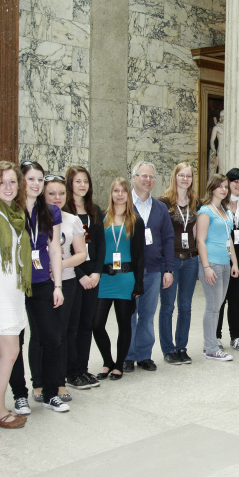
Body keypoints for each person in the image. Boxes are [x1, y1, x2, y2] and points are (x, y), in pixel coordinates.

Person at [0, 162, 29, 429]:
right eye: (2, 182)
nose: (8, 188)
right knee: (10, 351)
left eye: (13, 182)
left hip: (14, 290)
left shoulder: (15, 213)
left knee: (3, 353)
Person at [16, 161, 67, 412]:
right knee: (15, 341)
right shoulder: (11, 209)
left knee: (52, 339)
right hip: (15, 285)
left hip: (42, 283)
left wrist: (57, 285)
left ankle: (50, 392)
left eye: (40, 179)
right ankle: (19, 393)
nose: (35, 184)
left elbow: (55, 248)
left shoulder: (50, 211)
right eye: (30, 179)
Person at [93, 178, 145, 380]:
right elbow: (96, 248)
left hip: (125, 279)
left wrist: (139, 283)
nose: (120, 194)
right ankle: (107, 361)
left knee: (124, 324)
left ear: (128, 194)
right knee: (96, 324)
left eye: (124, 191)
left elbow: (140, 255)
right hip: (104, 279)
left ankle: (119, 365)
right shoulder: (102, 218)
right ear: (111, 194)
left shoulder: (135, 221)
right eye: (116, 190)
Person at [125, 162, 174, 372]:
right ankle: (127, 355)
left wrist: (169, 269)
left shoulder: (161, 208)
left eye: (151, 177)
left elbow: (169, 239)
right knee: (129, 315)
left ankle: (144, 355)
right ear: (134, 178)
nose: (148, 180)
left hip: (153, 270)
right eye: (143, 176)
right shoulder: (123, 204)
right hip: (128, 271)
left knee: (147, 314)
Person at [43, 175, 87, 403]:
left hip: (68, 282)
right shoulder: (36, 217)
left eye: (61, 193)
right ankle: (39, 384)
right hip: (41, 283)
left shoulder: (72, 220)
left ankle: (59, 383)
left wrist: (61, 264)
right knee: (41, 335)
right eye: (51, 193)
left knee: (62, 334)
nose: (57, 198)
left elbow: (82, 254)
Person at [63, 165, 105, 390]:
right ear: (70, 184)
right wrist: (81, 276)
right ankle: (71, 372)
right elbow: (65, 249)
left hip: (92, 275)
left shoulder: (95, 210)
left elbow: (99, 245)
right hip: (73, 275)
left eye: (85, 181)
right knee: (73, 324)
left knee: (87, 324)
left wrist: (96, 272)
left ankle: (83, 368)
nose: (82, 185)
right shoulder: (64, 211)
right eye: (77, 181)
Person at [157, 163, 200, 365]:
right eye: (181, 175)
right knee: (167, 306)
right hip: (171, 260)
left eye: (188, 176)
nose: (185, 179)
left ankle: (182, 347)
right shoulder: (163, 203)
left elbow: (195, 232)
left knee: (186, 306)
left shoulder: (195, 203)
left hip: (190, 260)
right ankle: (168, 349)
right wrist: (165, 264)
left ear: (192, 179)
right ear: (174, 177)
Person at [197, 174, 239, 361]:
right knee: (213, 307)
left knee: (218, 305)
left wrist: (234, 262)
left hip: (224, 263)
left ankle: (210, 345)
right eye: (219, 186)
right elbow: (200, 240)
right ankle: (211, 347)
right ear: (212, 188)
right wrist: (206, 267)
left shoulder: (226, 211)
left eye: (225, 186)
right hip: (211, 263)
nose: (223, 189)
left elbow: (228, 239)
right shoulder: (206, 211)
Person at [217, 168, 239, 352]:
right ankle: (216, 336)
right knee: (220, 299)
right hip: (223, 255)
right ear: (227, 183)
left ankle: (235, 336)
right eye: (235, 181)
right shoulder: (219, 205)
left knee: (236, 298)